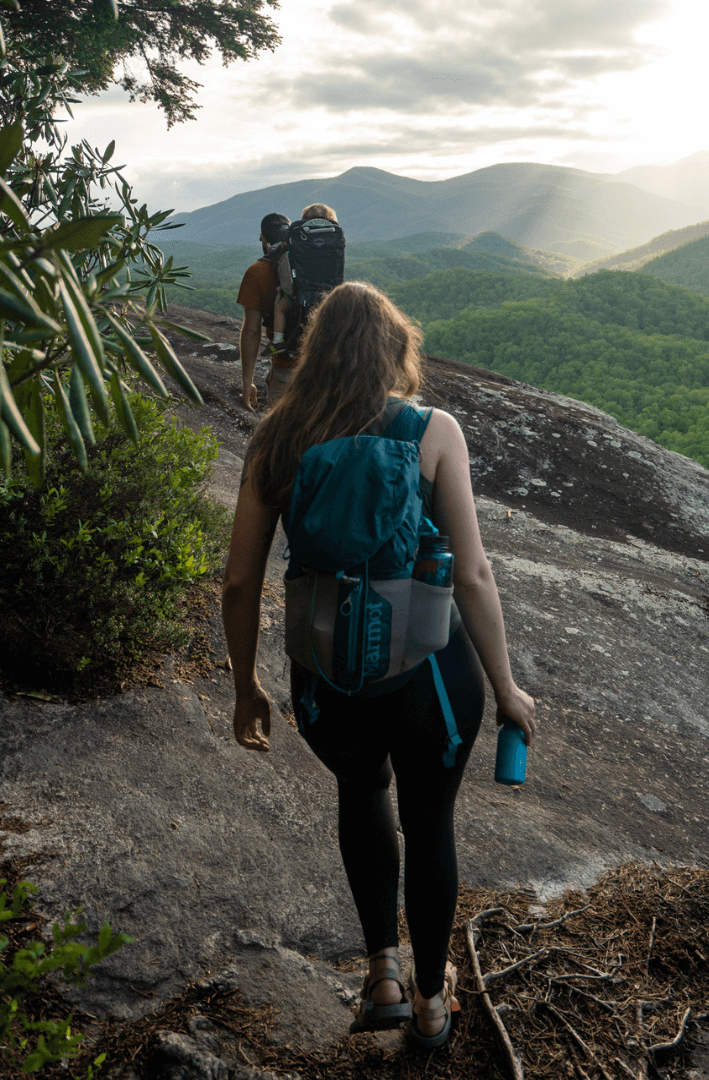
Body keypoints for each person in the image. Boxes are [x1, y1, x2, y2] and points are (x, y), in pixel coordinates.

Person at [221, 281, 537, 1048]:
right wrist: (505, 686)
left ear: (315, 350)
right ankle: (433, 1005)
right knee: (431, 821)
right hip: (432, 675)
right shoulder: (434, 431)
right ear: (396, 349)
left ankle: (383, 974)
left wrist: (246, 686)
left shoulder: (275, 439)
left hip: (327, 682)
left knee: (362, 795)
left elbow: (239, 580)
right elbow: (472, 575)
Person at [266, 202, 339, 354]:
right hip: (330, 291)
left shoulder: (299, 236)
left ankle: (278, 342)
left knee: (279, 308)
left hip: (302, 290)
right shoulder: (334, 237)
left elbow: (281, 250)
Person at [235, 211, 291, 410]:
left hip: (287, 368)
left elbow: (252, 330)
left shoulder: (257, 271)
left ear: (262, 238)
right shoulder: (312, 267)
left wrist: (247, 381)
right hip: (324, 366)